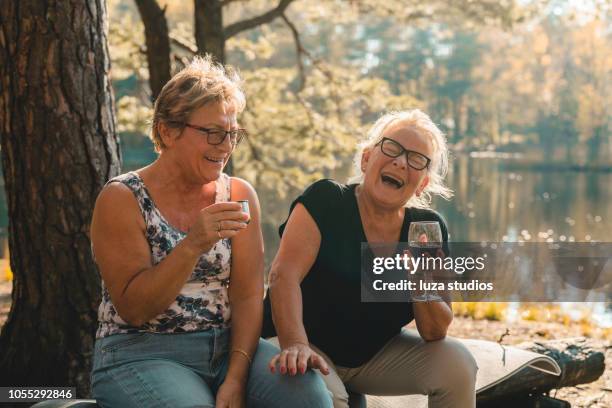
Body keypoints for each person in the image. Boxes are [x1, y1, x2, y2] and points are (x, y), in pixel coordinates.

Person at [90, 56, 331, 408]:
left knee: (308, 397)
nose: (225, 146)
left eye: (232, 134)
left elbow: (248, 297)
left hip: (228, 350)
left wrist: (235, 377)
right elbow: (135, 309)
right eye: (214, 133)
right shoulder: (122, 198)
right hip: (139, 353)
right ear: (167, 130)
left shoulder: (238, 194)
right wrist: (192, 245)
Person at [264, 109, 478, 408]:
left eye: (416, 159)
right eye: (392, 148)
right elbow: (282, 276)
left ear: (422, 184)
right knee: (333, 398)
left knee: (457, 364)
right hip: (300, 342)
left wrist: (420, 278)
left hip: (372, 358)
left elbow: (434, 331)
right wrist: (296, 344)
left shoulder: (426, 228)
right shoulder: (327, 200)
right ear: (366, 159)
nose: (401, 161)